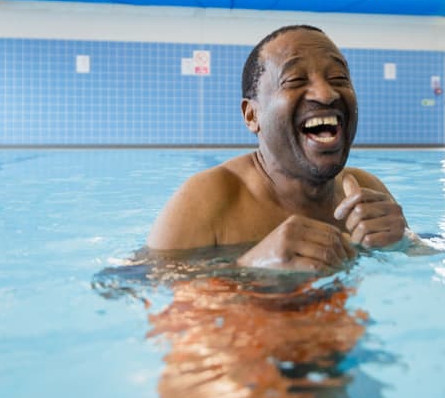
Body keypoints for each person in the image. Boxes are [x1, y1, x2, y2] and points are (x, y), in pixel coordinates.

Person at [147, 25, 410, 271]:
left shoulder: (365, 191)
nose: (326, 94)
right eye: (294, 80)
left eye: (339, 77)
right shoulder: (207, 200)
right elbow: (134, 288)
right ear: (252, 115)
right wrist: (249, 267)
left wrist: (404, 241)